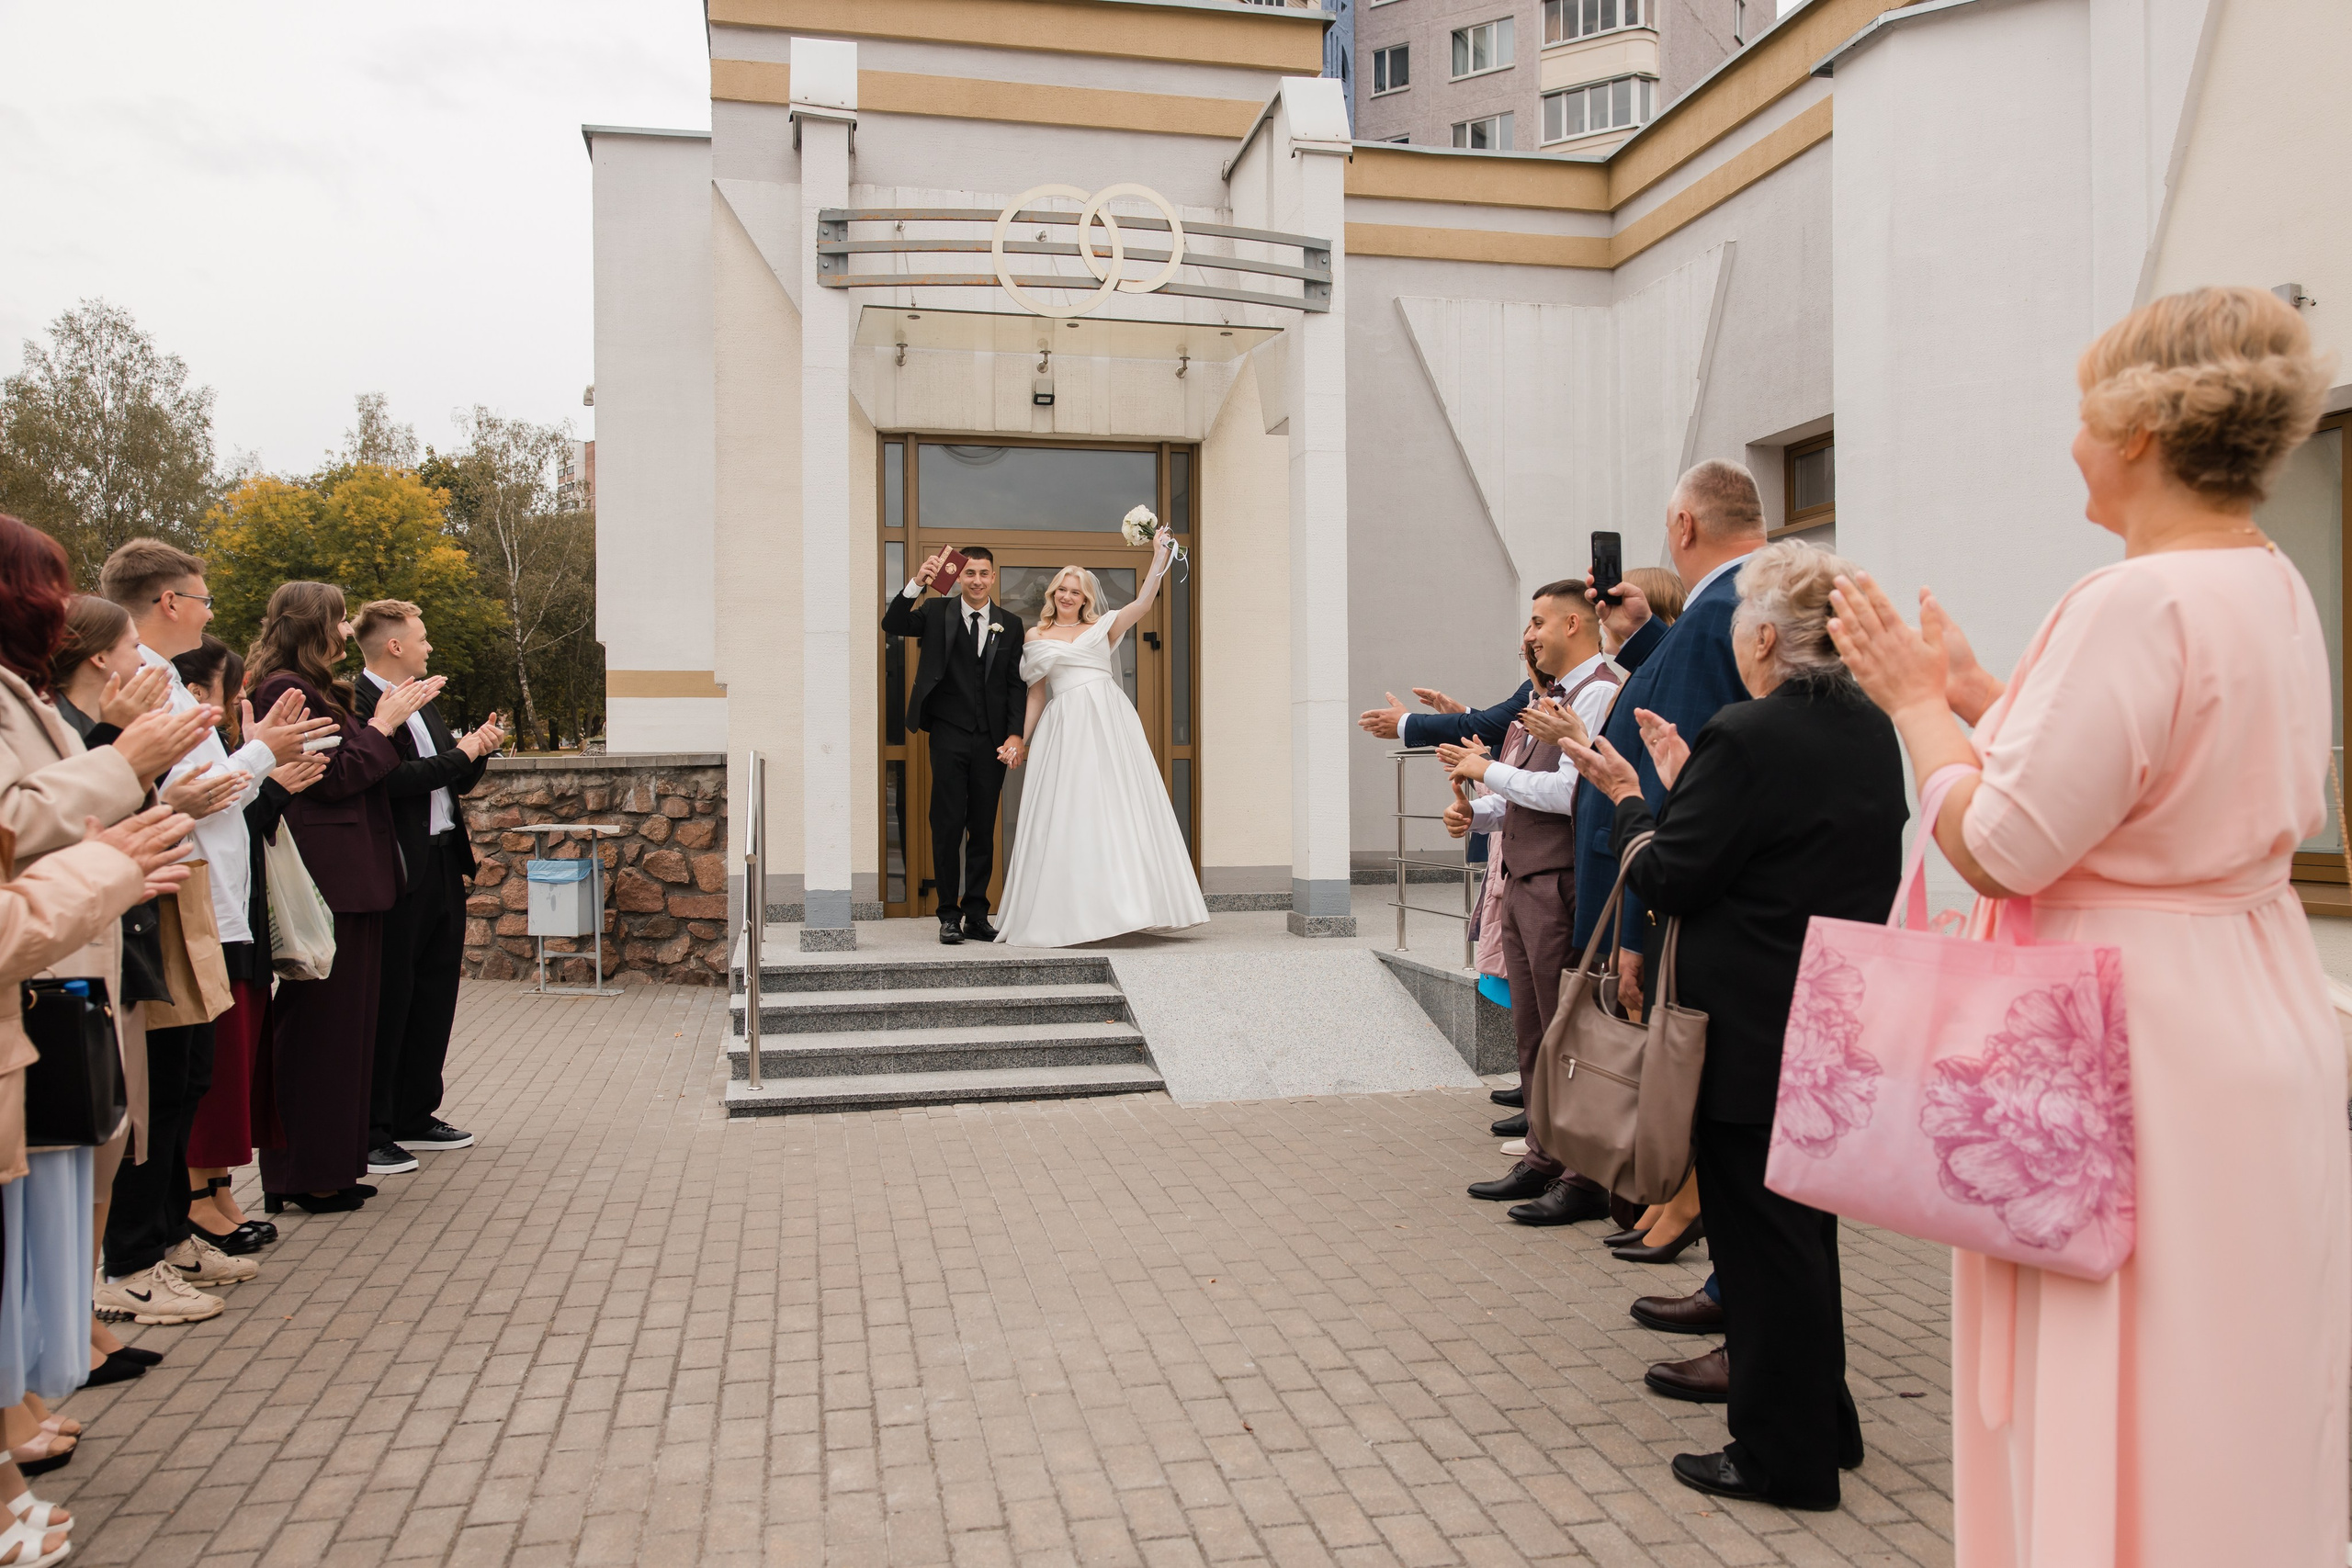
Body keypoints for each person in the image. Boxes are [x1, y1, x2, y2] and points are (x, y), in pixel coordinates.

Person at [1827, 286, 2346, 1566]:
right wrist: (1984, 695)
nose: (2071, 441)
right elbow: (2153, 775)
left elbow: (2002, 841)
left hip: (2124, 1031)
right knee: (2232, 1370)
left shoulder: (2136, 599)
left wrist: (1912, 707)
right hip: (2249, 999)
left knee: (2124, 1357)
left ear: (2139, 433)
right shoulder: (2270, 584)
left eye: (2082, 414)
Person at [1561, 539, 1907, 1511]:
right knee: (1803, 1235)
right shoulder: (1869, 729)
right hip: (1831, 1016)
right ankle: (1821, 1424)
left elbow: (1673, 873)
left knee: (1761, 1251)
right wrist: (1684, 780)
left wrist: (1632, 797)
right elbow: (1774, 844)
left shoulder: (1749, 735)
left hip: (1748, 1027)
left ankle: (1778, 1458)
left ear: (1763, 637)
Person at [1529, 460, 1770, 1342]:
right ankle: (1703, 1235)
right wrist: (1637, 630)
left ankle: (1724, 1272)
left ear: (1681, 523)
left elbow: (1682, 783)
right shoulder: (1708, 613)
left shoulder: (1720, 612)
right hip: (1694, 882)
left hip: (1681, 888)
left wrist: (1637, 926)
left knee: (1709, 1091)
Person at [90, 541, 332, 1316]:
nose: (208, 611)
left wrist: (262, 759)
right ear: (168, 602)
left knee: (188, 1077)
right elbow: (192, 790)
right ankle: (137, 1255)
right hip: (174, 893)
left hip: (211, 897)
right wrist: (264, 752)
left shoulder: (161, 677)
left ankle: (168, 1240)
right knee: (164, 1084)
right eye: (202, 598)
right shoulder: (150, 680)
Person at [244, 582, 440, 1214]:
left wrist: (378, 727)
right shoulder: (283, 689)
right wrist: (384, 724)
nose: (343, 629)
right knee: (318, 1030)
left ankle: (333, 1161)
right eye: (336, 618)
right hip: (328, 875)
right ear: (313, 624)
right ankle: (301, 1173)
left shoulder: (315, 686)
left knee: (350, 1029)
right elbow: (333, 779)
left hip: (357, 876)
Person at [1438, 581, 1621, 1223]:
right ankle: (1543, 1156)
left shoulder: (1599, 692)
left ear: (1575, 622)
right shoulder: (1553, 698)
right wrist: (1479, 813)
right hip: (1522, 878)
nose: (1530, 633)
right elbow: (1526, 795)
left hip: (1558, 882)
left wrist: (1485, 771)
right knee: (1534, 1032)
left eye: (1539, 621)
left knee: (1568, 1033)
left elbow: (1569, 793)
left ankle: (1582, 1173)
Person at [174, 637, 320, 1250]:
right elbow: (213, 810)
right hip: (210, 914)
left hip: (238, 912)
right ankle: (197, 1196)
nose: (239, 702)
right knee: (215, 1069)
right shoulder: (180, 735)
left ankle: (220, 1186)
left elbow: (236, 816)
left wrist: (269, 772)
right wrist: (267, 768)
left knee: (235, 1065)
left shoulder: (213, 741)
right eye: (232, 691)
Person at [349, 601, 503, 1177]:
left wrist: (476, 751)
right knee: (392, 997)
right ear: (393, 646)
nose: (428, 646)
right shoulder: (362, 705)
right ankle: (374, 1127)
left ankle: (417, 1112)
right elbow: (388, 782)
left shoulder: (423, 701)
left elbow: (447, 774)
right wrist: (458, 755)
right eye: (421, 637)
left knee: (435, 993)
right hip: (397, 869)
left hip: (442, 862)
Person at [992, 543, 1209, 947]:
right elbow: (1037, 694)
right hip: (1064, 725)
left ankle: (1130, 906)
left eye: (1076, 591)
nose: (1067, 596)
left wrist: (1159, 559)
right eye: (1062, 590)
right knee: (1068, 808)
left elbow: (1144, 604)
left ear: (1086, 598)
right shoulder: (1036, 634)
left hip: (1108, 720)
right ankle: (1068, 912)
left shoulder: (1104, 625)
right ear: (1052, 594)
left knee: (1116, 804)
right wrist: (1021, 739)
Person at [883, 547, 1030, 943]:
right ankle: (948, 915)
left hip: (992, 740)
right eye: (970, 574)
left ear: (994, 577)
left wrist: (1015, 734)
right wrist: (918, 581)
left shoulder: (1010, 624)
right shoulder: (936, 613)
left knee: (982, 827)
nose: (977, 580)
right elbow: (892, 622)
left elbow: (1017, 685)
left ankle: (976, 914)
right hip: (948, 734)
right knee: (947, 824)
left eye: (984, 573)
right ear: (960, 577)